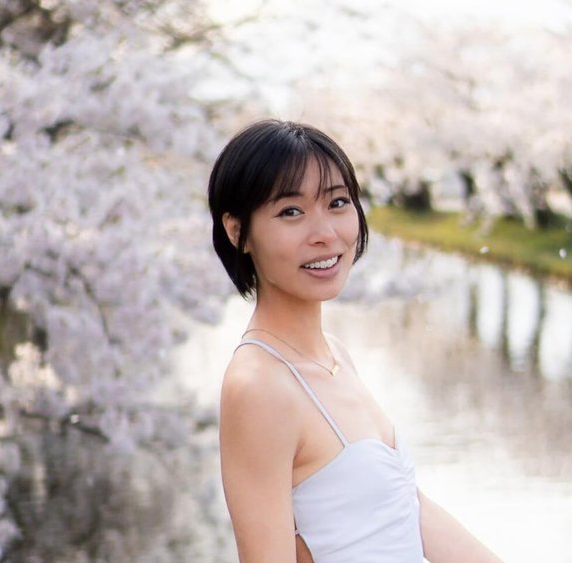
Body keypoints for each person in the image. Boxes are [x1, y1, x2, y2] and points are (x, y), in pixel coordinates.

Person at [208, 119, 502, 563]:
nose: (325, 232)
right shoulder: (259, 386)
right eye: (291, 211)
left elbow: (404, 509)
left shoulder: (333, 353)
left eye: (338, 203)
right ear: (238, 232)